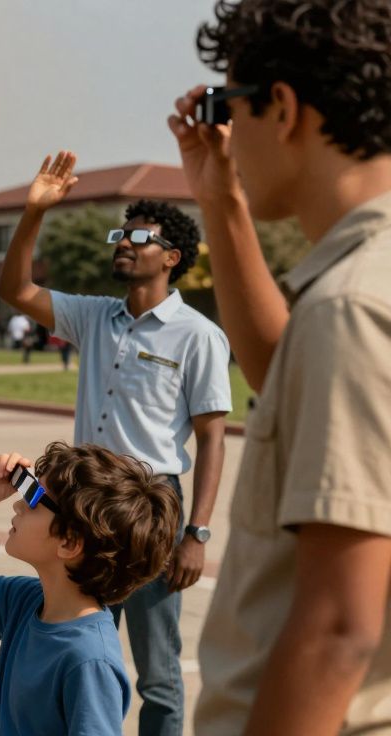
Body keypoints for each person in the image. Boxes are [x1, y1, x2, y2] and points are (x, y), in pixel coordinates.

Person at [169, 1, 391, 733]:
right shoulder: (365, 286)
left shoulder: (350, 305)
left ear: (285, 108)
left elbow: (337, 627)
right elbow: (290, 379)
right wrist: (221, 199)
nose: (225, 131)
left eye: (229, 104)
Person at [0, 152, 232, 736]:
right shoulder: (95, 316)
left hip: (152, 507)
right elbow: (14, 289)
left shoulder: (198, 335)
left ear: (171, 258)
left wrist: (197, 535)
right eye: (120, 235)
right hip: (84, 503)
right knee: (76, 641)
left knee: (157, 671)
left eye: (139, 238)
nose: (123, 244)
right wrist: (33, 213)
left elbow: (212, 438)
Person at [0, 443, 180, 736]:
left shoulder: (90, 660)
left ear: (69, 543)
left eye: (34, 497)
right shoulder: (24, 601)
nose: (17, 504)